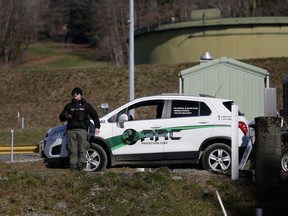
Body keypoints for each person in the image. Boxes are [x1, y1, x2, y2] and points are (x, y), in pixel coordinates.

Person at [59, 87, 101, 170]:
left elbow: (95, 115)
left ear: (80, 95)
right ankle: (73, 166)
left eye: (77, 93)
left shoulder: (86, 105)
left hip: (82, 130)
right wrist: (66, 115)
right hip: (71, 131)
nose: (75, 95)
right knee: (72, 149)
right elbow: (61, 117)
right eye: (73, 94)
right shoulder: (68, 106)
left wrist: (97, 126)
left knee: (82, 148)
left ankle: (81, 165)